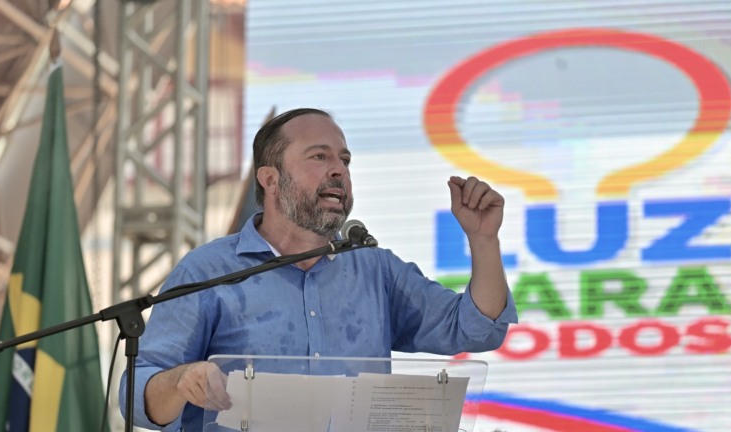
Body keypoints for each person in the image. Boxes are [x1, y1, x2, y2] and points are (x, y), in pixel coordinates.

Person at [119, 108, 518, 431]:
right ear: (270, 178)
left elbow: (475, 327)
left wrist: (484, 241)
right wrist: (180, 380)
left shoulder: (374, 269)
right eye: (319, 156)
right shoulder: (210, 270)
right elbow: (136, 396)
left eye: (344, 160)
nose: (339, 170)